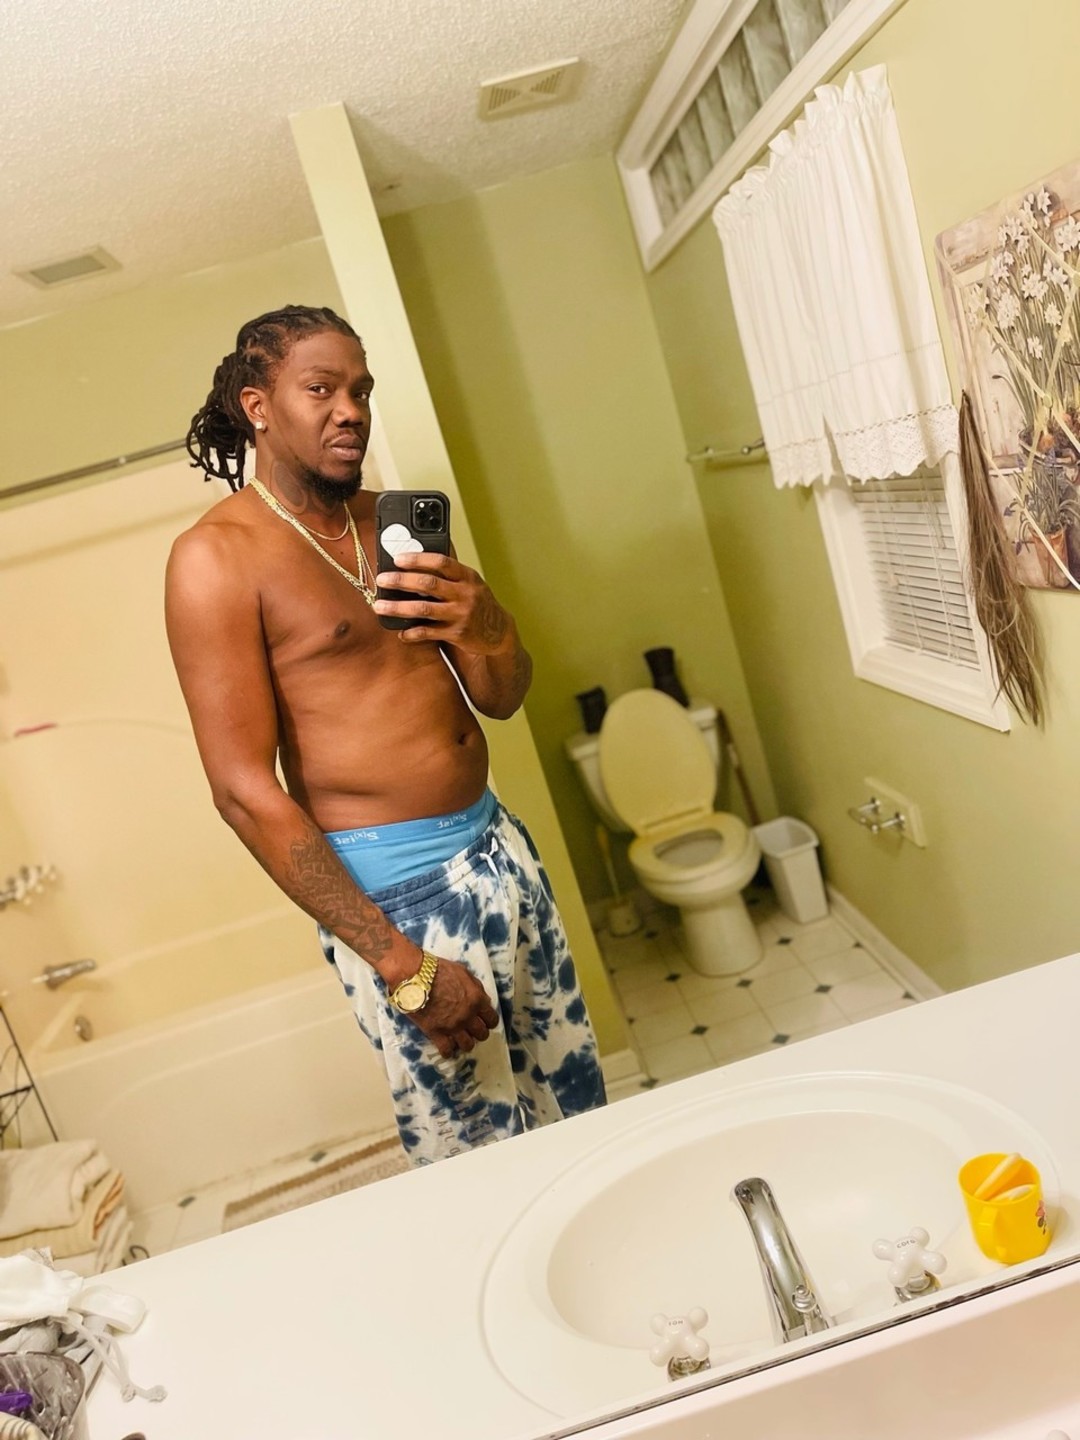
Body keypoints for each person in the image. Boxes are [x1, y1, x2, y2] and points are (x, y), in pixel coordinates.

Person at [166, 304, 606, 1165]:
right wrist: (403, 965)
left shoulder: (393, 523)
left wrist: (488, 626)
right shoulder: (216, 559)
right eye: (321, 389)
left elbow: (502, 698)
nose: (351, 411)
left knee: (577, 1109)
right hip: (403, 903)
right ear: (258, 407)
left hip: (499, 850)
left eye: (361, 391)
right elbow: (243, 793)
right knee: (479, 1161)